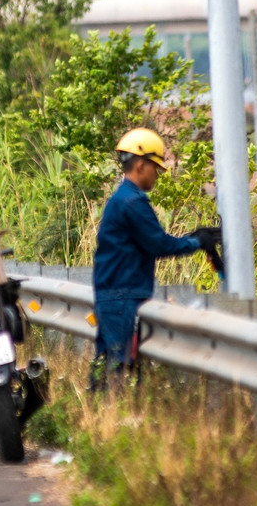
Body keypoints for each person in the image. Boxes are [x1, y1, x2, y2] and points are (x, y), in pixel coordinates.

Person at [91, 128, 215, 389]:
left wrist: (188, 239)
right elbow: (158, 244)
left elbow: (150, 241)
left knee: (105, 366)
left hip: (112, 294)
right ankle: (112, 411)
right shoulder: (133, 203)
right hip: (122, 296)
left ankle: (96, 408)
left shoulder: (120, 199)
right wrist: (196, 243)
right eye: (155, 168)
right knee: (118, 369)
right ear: (140, 165)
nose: (157, 175)